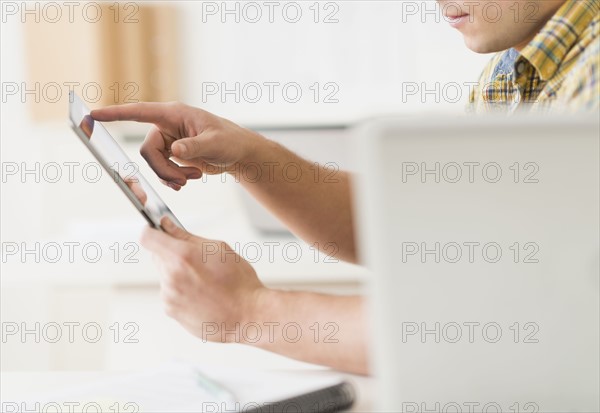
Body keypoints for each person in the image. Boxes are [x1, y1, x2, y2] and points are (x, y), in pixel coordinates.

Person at [91, 0, 599, 375]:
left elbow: (518, 332)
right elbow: (432, 235)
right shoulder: (514, 72)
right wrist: (249, 156)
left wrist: (249, 313)